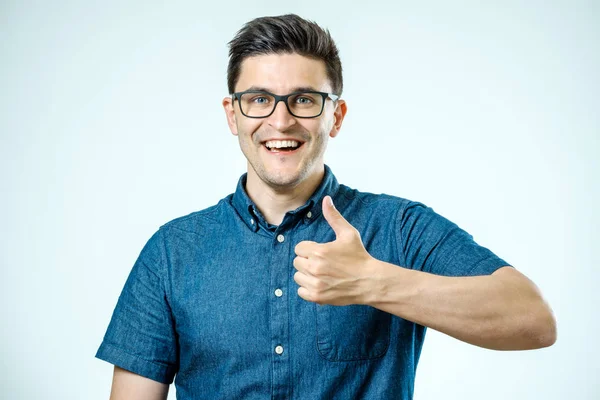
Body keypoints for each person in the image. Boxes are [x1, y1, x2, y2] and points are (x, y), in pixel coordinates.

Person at [96, 14, 556, 400]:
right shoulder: (171, 252)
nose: (281, 120)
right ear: (232, 114)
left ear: (334, 116)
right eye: (259, 99)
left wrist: (376, 282)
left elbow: (532, 320)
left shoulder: (398, 226)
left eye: (303, 99)